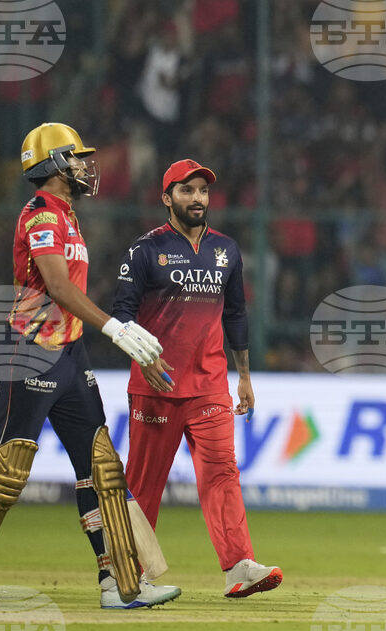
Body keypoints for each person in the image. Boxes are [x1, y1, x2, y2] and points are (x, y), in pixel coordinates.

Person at [0, 123, 180, 609]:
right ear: (54, 164)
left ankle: (119, 582)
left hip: (70, 353)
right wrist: (115, 328)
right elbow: (59, 287)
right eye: (76, 157)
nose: (84, 166)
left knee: (101, 468)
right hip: (30, 351)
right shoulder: (41, 214)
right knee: (4, 467)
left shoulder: (67, 214)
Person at [111, 159, 283, 599]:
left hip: (210, 385)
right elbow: (122, 314)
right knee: (144, 485)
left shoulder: (226, 250)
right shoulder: (145, 250)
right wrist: (143, 357)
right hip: (157, 386)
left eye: (203, 190)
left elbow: (236, 314)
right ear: (166, 198)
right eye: (187, 190)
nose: (197, 198)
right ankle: (129, 574)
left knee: (222, 473)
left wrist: (244, 377)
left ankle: (239, 566)